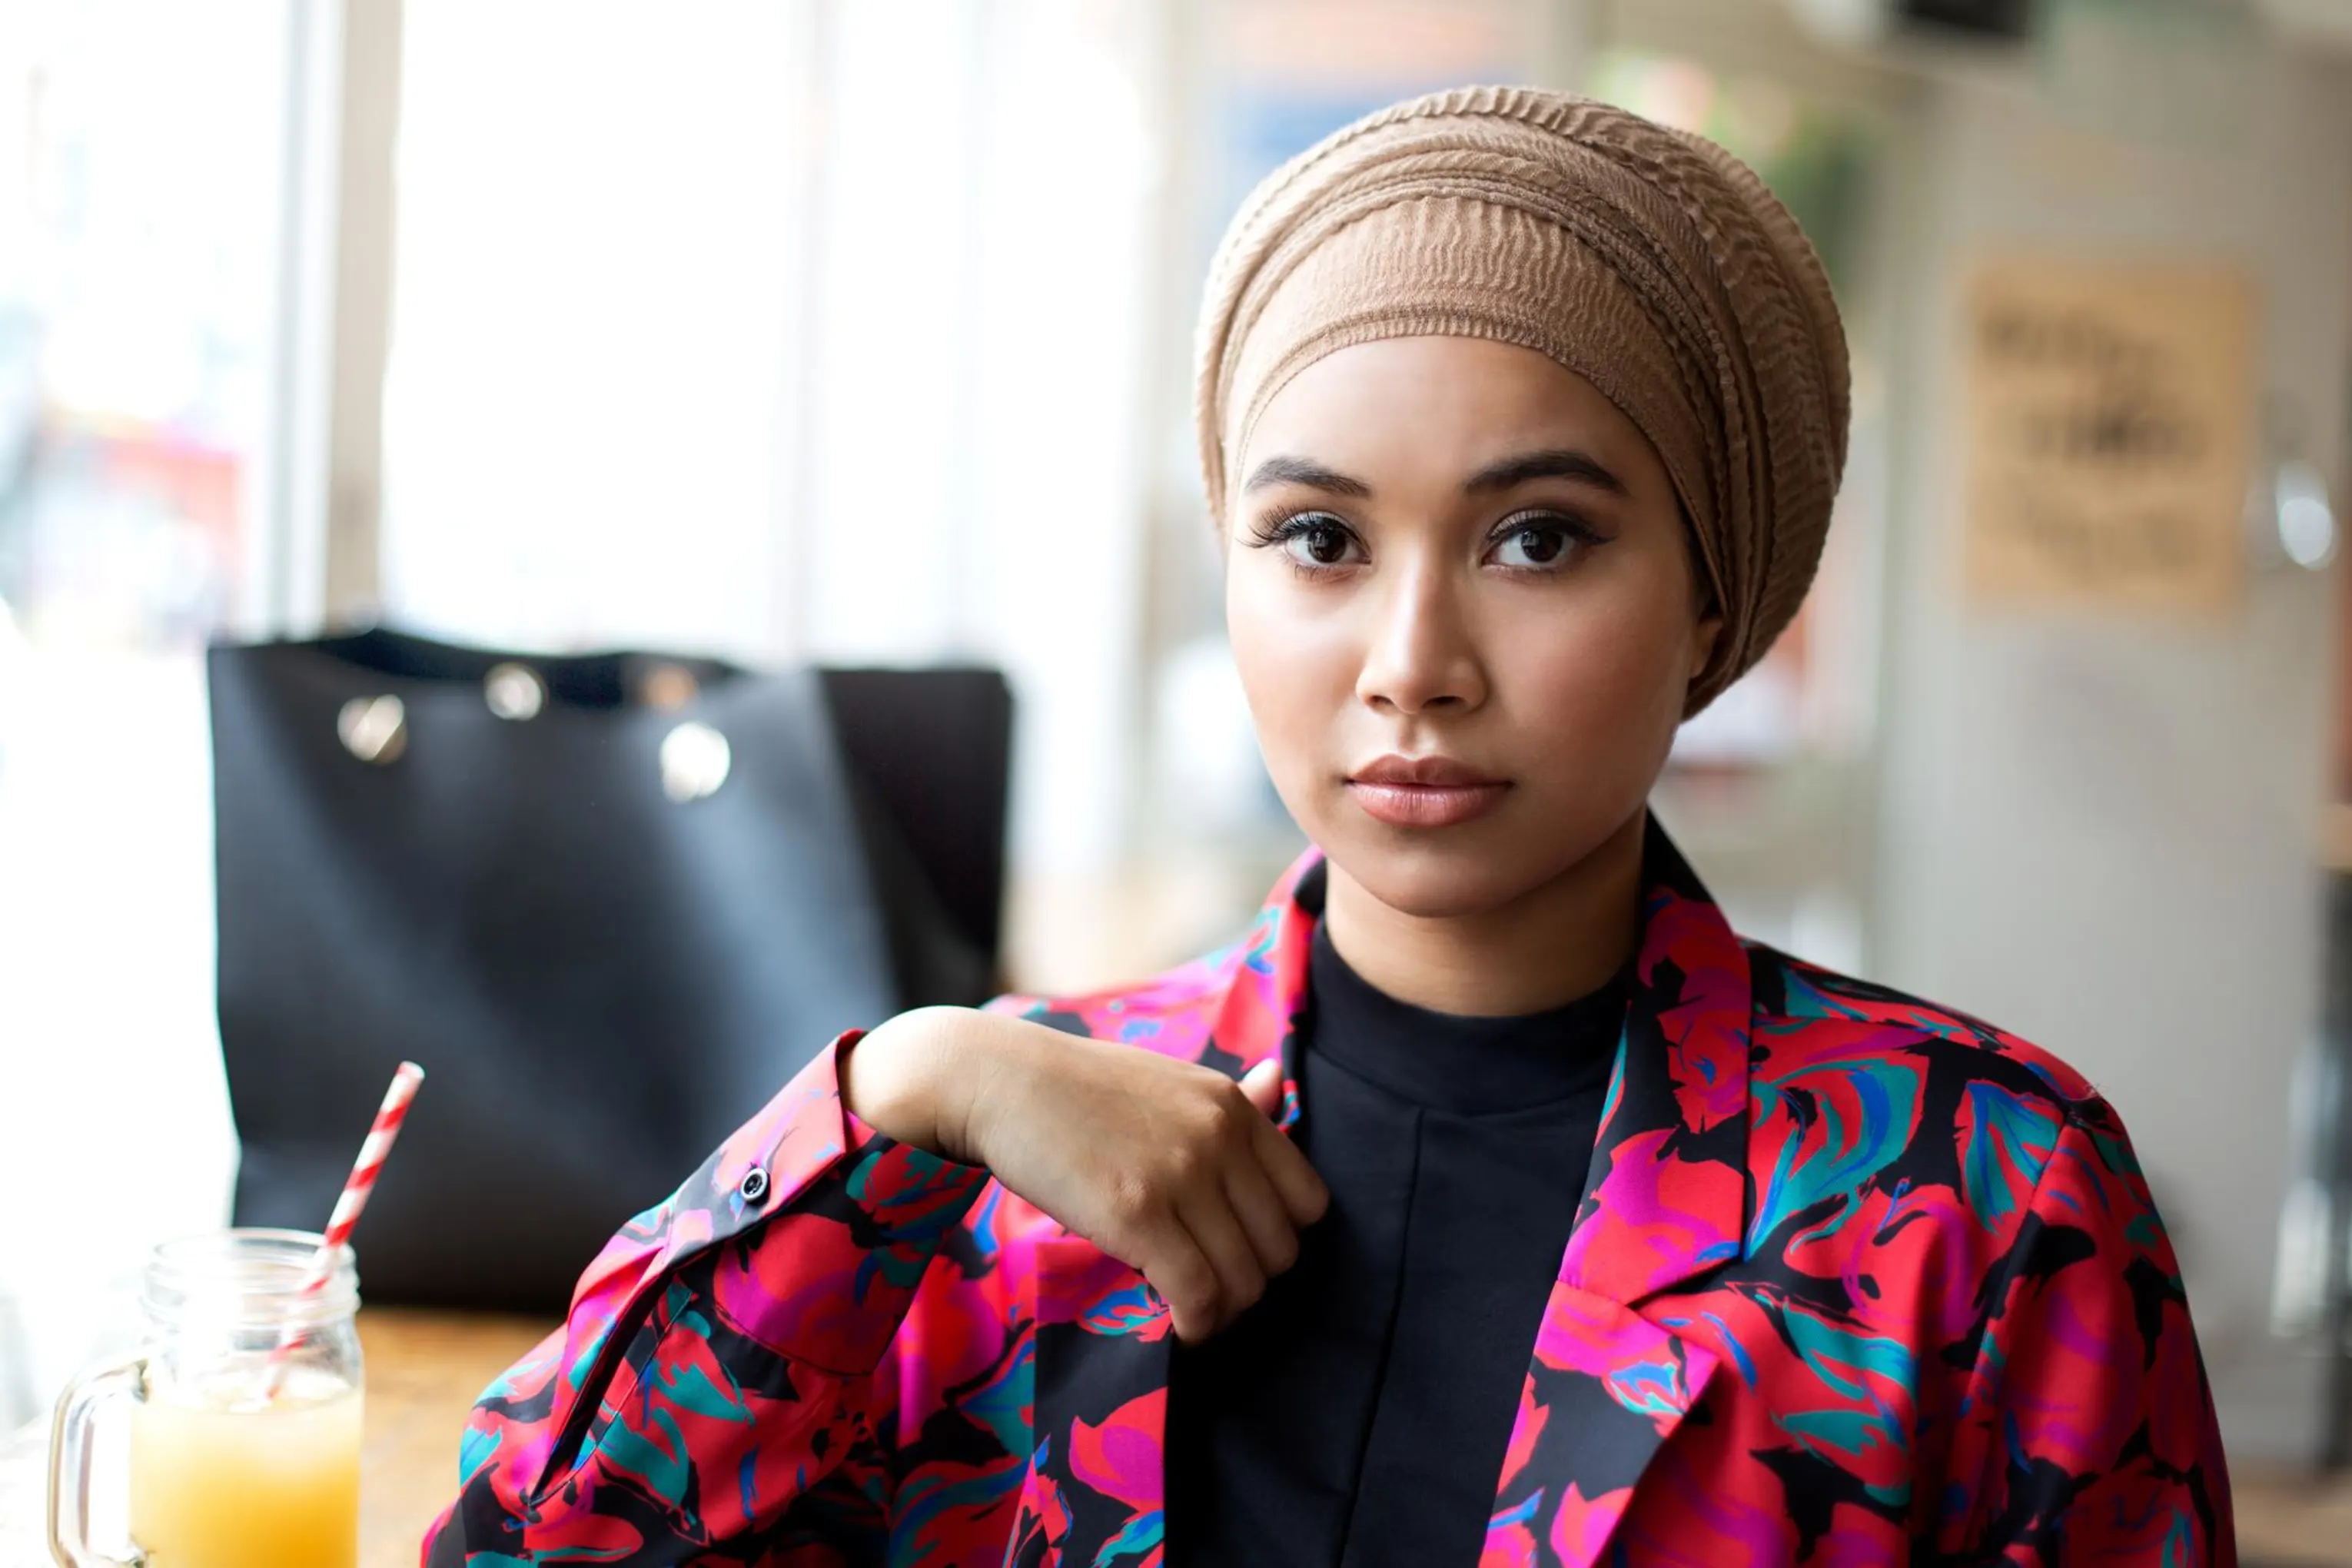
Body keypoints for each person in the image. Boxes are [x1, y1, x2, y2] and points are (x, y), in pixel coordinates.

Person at [424, 86, 2231, 1567]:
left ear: (1712, 603)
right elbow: (527, 1546)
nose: (1413, 664)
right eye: (1320, 541)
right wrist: (906, 1092)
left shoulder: (1982, 1205)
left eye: (1539, 538)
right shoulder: (1000, 1161)